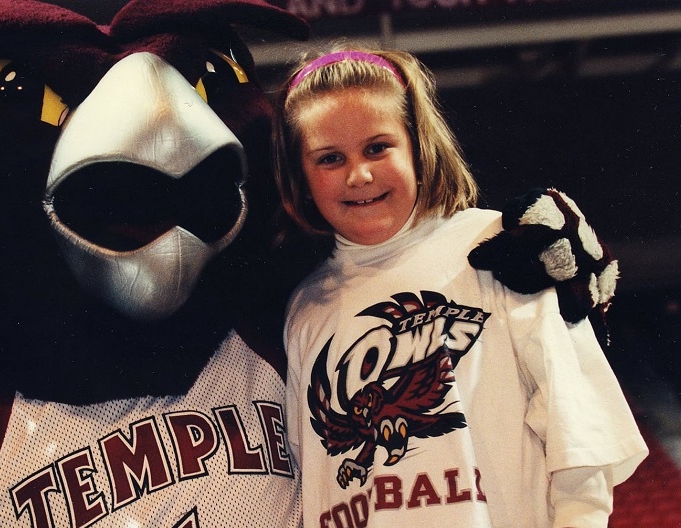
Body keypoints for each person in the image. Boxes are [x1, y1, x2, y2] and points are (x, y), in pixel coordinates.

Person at [271, 47, 648, 528]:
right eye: (329, 158)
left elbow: (576, 428)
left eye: (377, 147)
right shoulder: (305, 306)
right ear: (300, 177)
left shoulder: (500, 248)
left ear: (417, 145)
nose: (359, 174)